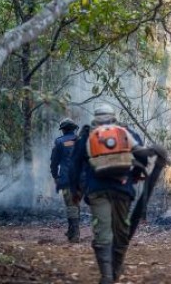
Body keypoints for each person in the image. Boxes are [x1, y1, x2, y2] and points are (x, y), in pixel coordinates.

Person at [69, 104, 146, 284]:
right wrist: (134, 176)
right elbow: (142, 156)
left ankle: (106, 275)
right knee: (121, 231)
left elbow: (74, 166)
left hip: (97, 190)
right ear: (114, 117)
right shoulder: (126, 133)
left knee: (102, 231)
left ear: (95, 118)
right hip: (123, 189)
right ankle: (116, 269)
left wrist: (75, 191)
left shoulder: (86, 136)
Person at [50, 117, 80, 243]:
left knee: (71, 206)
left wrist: (55, 176)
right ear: (73, 129)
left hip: (67, 179)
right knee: (75, 205)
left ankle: (74, 235)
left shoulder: (59, 142)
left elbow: (54, 162)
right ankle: (72, 231)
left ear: (63, 130)